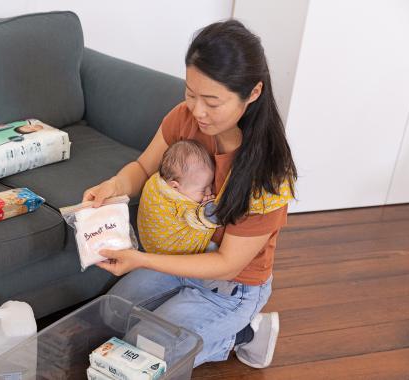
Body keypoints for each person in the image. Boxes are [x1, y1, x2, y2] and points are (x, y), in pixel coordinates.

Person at [82, 19, 297, 369]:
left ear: (253, 93)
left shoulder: (269, 174)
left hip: (232, 287)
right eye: (191, 93)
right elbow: (141, 168)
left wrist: (139, 258)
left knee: (142, 352)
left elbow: (227, 265)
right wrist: (115, 186)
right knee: (108, 323)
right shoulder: (185, 118)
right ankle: (221, 334)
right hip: (180, 258)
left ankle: (243, 332)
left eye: (212, 101)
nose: (198, 111)